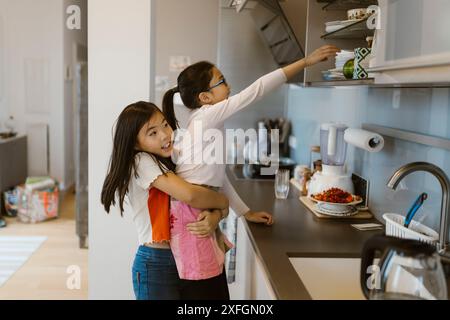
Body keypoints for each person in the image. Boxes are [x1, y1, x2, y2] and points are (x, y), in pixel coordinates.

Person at [161, 45, 340, 296]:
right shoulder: (207, 117)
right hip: (192, 212)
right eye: (221, 81)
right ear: (205, 97)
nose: (228, 84)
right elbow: (256, 91)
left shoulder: (207, 121)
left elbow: (217, 176)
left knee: (213, 285)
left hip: (200, 207)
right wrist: (305, 62)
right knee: (204, 288)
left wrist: (246, 212)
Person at [101, 102, 230, 300]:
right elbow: (190, 195)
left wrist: (216, 214)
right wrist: (222, 202)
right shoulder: (141, 161)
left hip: (182, 258)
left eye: (165, 125)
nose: (164, 135)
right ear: (135, 143)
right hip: (155, 263)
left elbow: (195, 203)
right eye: (152, 133)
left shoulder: (171, 159)